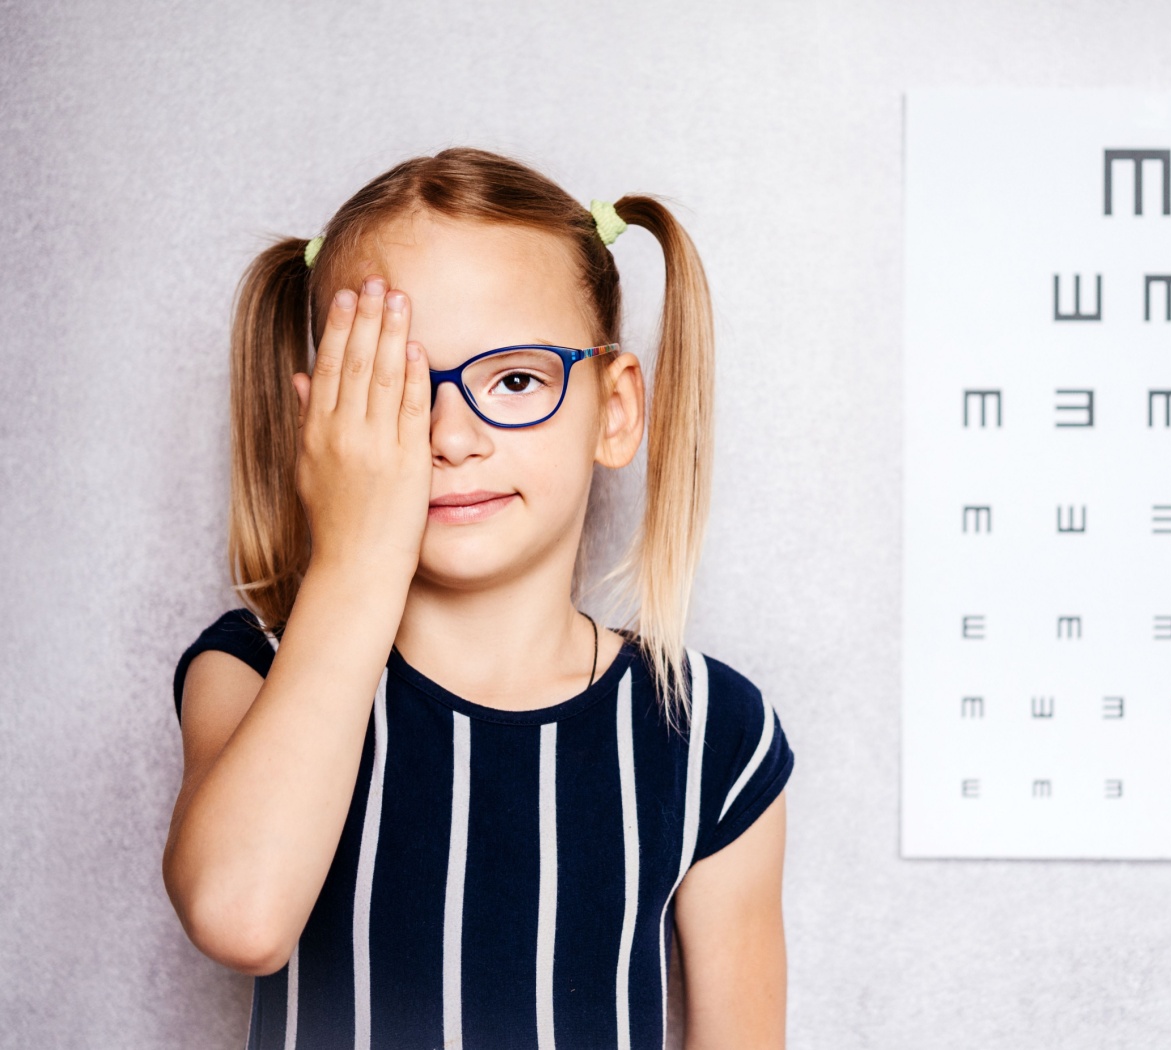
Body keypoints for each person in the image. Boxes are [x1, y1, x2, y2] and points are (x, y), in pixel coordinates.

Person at [161, 147, 794, 1050]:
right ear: (321, 426)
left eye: (517, 381)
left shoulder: (711, 734)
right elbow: (240, 916)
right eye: (398, 392)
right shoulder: (249, 667)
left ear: (614, 410)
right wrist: (354, 551)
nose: (453, 437)